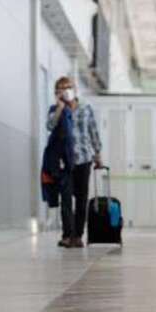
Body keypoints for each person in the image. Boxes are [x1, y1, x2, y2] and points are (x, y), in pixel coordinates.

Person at [46, 76, 103, 248]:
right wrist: (60, 108)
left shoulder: (86, 108)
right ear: (57, 92)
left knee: (81, 199)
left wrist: (98, 155)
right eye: (61, 88)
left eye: (68, 87)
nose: (65, 90)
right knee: (65, 198)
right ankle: (67, 235)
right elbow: (49, 126)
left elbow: (93, 131)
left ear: (74, 89)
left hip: (84, 159)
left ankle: (78, 235)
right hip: (64, 161)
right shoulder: (55, 109)